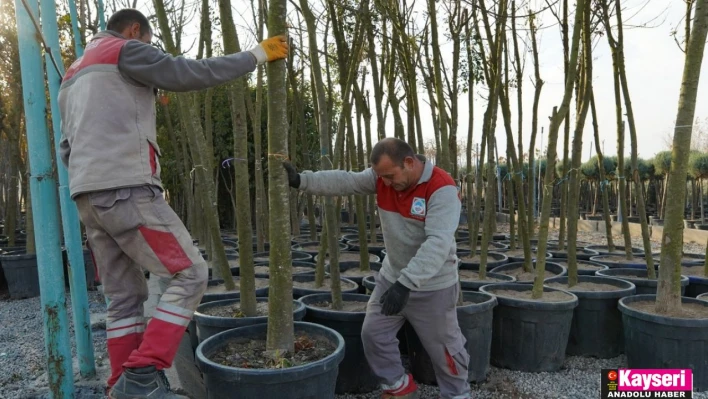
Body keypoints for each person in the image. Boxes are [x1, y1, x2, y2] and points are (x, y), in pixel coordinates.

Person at [58, 8, 288, 399]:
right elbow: (188, 73)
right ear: (135, 31)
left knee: (125, 298)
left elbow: (67, 146)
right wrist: (257, 55)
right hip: (126, 190)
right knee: (191, 273)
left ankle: (121, 387)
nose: (150, 52)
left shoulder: (73, 72)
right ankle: (144, 373)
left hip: (87, 196)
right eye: (149, 42)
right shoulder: (125, 49)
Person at [283, 137, 471, 399]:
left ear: (409, 162)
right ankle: (399, 389)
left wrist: (406, 284)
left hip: (433, 285)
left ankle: (458, 394)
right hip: (392, 277)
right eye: (380, 177)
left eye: (390, 176)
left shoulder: (442, 188)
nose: (384, 183)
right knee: (374, 334)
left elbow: (438, 243)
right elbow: (345, 181)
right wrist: (301, 181)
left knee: (445, 351)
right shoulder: (382, 178)